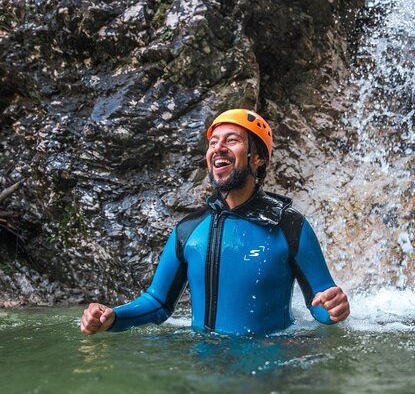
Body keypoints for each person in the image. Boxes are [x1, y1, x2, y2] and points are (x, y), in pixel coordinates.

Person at [80, 108, 349, 335]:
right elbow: (158, 302)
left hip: (269, 373)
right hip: (204, 370)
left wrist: (333, 309)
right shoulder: (188, 230)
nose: (218, 148)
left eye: (232, 140)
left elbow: (321, 301)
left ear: (257, 159)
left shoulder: (290, 226)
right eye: (213, 143)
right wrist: (113, 317)